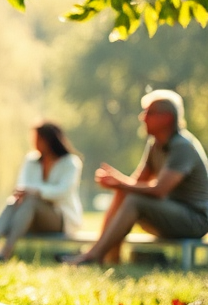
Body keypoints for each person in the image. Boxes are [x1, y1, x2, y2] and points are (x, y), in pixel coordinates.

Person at [63, 90, 208, 265]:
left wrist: (120, 182)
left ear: (167, 118)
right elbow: (137, 182)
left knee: (132, 199)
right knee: (124, 193)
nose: (142, 117)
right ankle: (110, 257)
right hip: (172, 215)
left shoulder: (182, 146)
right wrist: (118, 183)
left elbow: (160, 190)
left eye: (149, 113)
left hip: (195, 220)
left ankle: (93, 256)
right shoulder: (155, 144)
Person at [0, 122, 83, 263]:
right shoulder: (31, 161)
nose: (35, 143)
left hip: (59, 217)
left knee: (31, 200)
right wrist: (26, 193)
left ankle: (5, 251)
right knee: (16, 200)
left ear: (50, 140)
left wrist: (35, 191)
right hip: (28, 215)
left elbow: (63, 192)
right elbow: (23, 186)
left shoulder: (70, 163)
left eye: (39, 139)